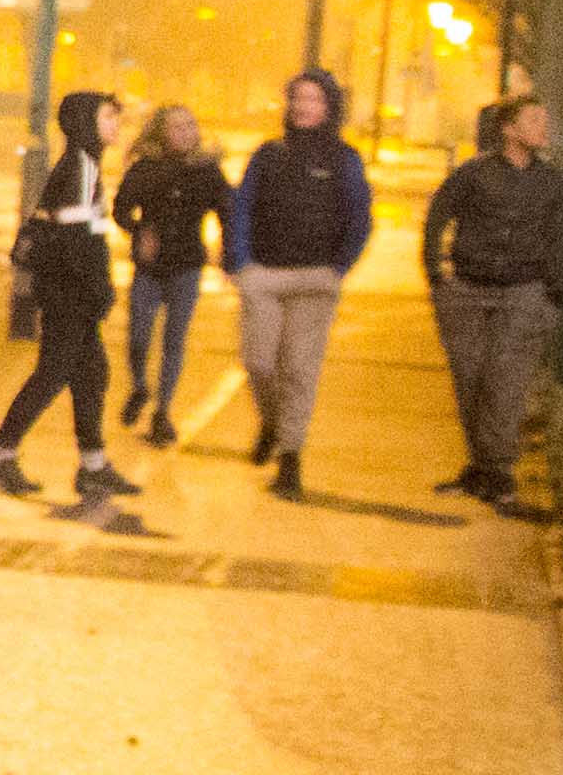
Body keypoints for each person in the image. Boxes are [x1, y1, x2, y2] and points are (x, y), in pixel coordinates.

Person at [0, 90, 138, 500]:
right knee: (53, 374)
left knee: (91, 373)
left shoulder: (84, 164)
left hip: (69, 292)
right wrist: (98, 292)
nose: (115, 124)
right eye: (107, 117)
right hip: (69, 295)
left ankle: (93, 464)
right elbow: (76, 241)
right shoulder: (81, 167)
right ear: (86, 122)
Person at [226, 66, 375, 500]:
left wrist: (338, 267)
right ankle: (272, 422)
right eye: (297, 98)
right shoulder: (268, 154)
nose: (302, 106)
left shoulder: (344, 160)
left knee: (299, 369)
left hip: (315, 279)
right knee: (258, 361)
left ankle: (290, 456)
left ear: (329, 107)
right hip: (264, 275)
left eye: (312, 99)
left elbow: (360, 217)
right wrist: (240, 263)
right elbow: (242, 207)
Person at [425, 92, 563, 507]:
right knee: (470, 378)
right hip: (467, 291)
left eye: (544, 120)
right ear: (509, 129)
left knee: (505, 382)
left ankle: (500, 471)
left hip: (523, 292)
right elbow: (438, 214)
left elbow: (562, 240)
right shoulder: (474, 174)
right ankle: (482, 467)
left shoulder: (554, 183)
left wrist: (553, 295)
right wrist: (436, 275)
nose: (543, 128)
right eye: (533, 120)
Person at [113, 100, 227, 446]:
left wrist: (227, 249)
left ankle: (163, 413)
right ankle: (140, 388)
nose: (187, 132)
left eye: (191, 125)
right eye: (177, 127)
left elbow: (228, 210)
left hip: (187, 267)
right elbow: (120, 210)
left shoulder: (207, 171)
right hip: (149, 268)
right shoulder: (145, 169)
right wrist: (139, 231)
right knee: (138, 337)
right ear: (161, 133)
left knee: (174, 341)